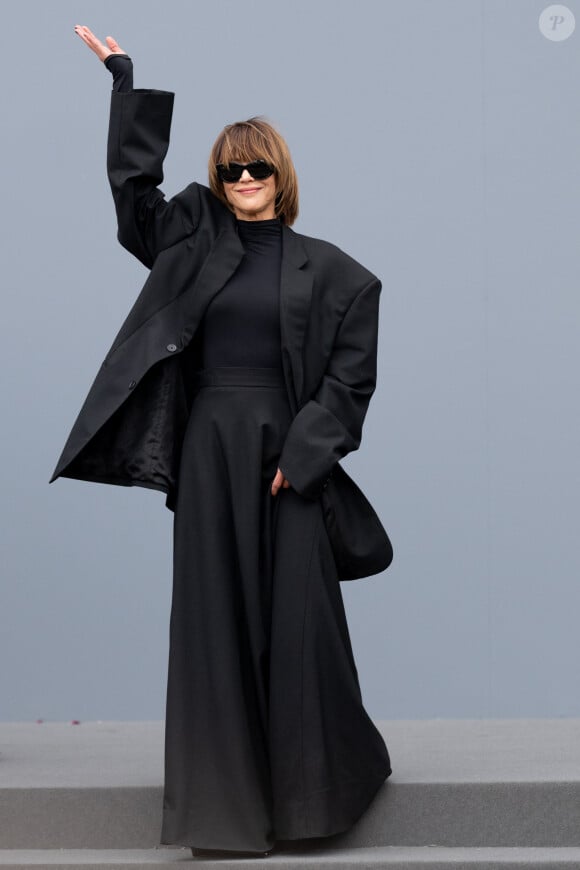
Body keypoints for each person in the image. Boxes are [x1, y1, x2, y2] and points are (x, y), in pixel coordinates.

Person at [65, 24, 392, 860]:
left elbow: (348, 384)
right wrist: (124, 84)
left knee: (299, 624)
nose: (244, 181)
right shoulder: (190, 245)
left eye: (258, 169)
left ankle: (316, 806)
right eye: (229, 171)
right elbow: (134, 197)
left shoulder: (344, 276)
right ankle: (225, 819)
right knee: (213, 625)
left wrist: (304, 455)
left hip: (291, 460)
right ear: (217, 180)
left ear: (283, 176)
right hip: (210, 451)